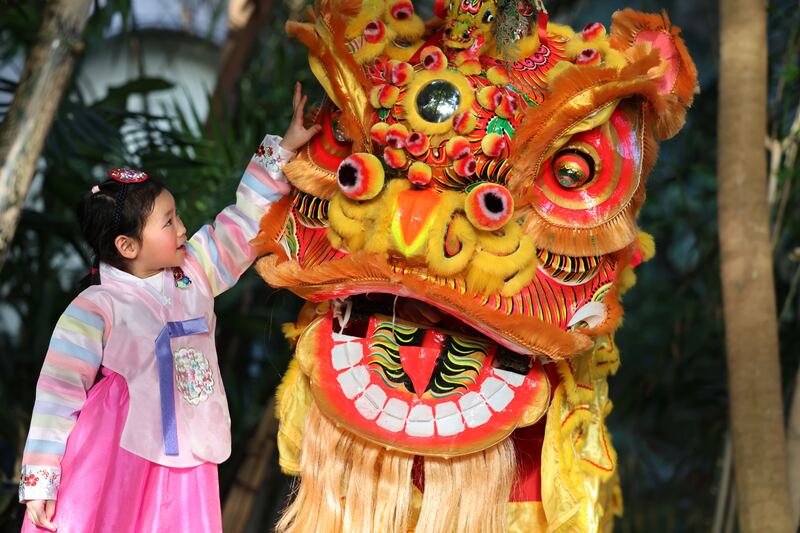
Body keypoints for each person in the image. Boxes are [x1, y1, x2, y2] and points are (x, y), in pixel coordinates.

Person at [18, 83, 320, 532]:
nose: (182, 227)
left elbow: (241, 219)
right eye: (168, 221)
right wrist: (41, 481)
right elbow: (59, 392)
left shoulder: (195, 271)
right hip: (117, 459)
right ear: (127, 244)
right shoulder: (96, 306)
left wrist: (285, 149)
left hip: (190, 460)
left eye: (177, 215)